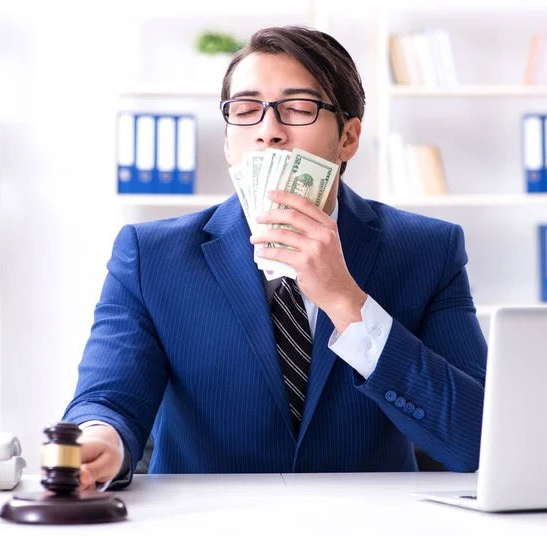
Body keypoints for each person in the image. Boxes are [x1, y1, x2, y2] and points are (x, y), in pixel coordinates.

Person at [63, 25, 487, 491]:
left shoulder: (429, 250)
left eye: (299, 109)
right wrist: (101, 440)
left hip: (369, 523)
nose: (268, 132)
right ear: (229, 140)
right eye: (245, 111)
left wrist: (349, 304)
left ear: (348, 138)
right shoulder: (150, 256)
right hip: (203, 523)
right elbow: (109, 399)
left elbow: (477, 440)